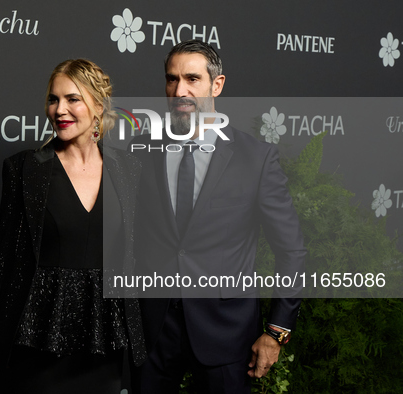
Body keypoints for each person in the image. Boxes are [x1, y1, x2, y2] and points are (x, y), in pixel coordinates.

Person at [131, 40, 306, 393]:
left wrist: (276, 332)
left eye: (192, 79)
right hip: (153, 332)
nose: (180, 90)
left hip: (227, 333)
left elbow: (292, 252)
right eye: (171, 79)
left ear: (217, 84)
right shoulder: (142, 150)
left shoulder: (256, 159)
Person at [0, 59, 145, 394]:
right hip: (38, 331)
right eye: (53, 100)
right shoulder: (24, 169)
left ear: (98, 106)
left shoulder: (129, 170)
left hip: (104, 332)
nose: (60, 110)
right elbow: (4, 259)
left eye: (73, 99)